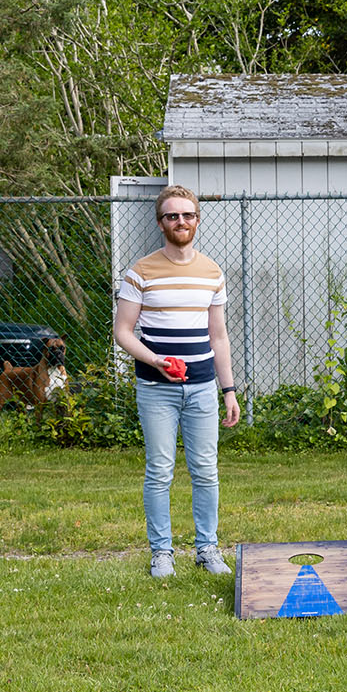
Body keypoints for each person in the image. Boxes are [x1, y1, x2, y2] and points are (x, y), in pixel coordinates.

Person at [113, 186, 241, 577]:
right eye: (172, 216)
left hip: (202, 388)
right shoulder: (140, 272)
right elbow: (123, 332)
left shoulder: (212, 272)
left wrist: (229, 390)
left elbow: (218, 336)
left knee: (206, 470)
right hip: (156, 389)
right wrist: (155, 361)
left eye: (187, 215)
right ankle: (161, 553)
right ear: (161, 223)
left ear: (197, 220)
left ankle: (207, 550)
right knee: (160, 471)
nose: (180, 222)